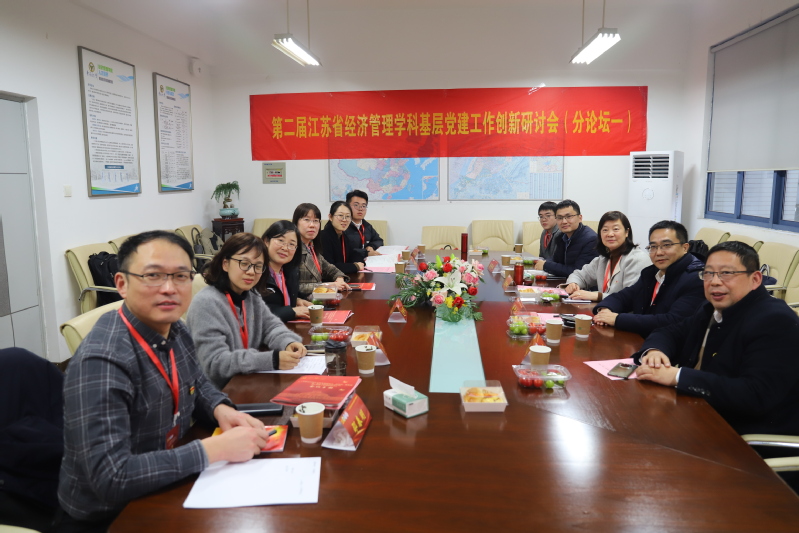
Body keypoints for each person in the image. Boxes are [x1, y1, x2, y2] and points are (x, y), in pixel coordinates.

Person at [56, 231, 268, 531]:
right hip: (111, 516)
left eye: (181, 276)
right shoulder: (102, 360)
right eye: (153, 276)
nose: (169, 288)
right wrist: (214, 450)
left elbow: (197, 382)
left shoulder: (175, 329)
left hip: (169, 483)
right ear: (121, 284)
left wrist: (221, 409)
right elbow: (110, 478)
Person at [633, 241, 799, 437]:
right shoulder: (711, 308)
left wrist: (678, 377)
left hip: (742, 435)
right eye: (708, 273)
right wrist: (655, 351)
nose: (714, 282)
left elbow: (755, 395)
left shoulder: (775, 320)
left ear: (755, 279)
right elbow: (671, 332)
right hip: (698, 413)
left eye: (726, 273)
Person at [186, 232, 306, 389]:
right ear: (225, 264)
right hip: (215, 393)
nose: (251, 272)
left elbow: (271, 326)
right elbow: (215, 362)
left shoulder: (251, 295)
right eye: (244, 263)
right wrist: (272, 360)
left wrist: (288, 342)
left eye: (258, 266)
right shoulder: (206, 303)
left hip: (245, 381)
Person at [593, 220, 705, 338]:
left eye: (666, 245)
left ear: (685, 247)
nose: (659, 252)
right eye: (653, 247)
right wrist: (605, 309)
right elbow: (624, 297)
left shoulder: (696, 278)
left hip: (666, 346)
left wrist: (617, 319)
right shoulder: (652, 272)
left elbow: (673, 321)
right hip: (641, 339)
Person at [563, 211, 651, 302]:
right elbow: (579, 275)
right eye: (605, 230)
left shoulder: (637, 259)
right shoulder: (603, 259)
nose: (610, 234)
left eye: (615, 229)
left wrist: (598, 296)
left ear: (626, 232)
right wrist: (573, 284)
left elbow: (631, 297)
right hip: (605, 309)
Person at [293, 202, 350, 298]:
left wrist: (339, 279)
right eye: (307, 220)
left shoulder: (311, 247)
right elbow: (292, 287)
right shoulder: (292, 249)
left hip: (320, 299)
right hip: (302, 302)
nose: (312, 225)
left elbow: (330, 269)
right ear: (296, 223)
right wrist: (326, 286)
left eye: (316, 221)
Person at [260, 220, 312, 322]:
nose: (285, 248)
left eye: (291, 244)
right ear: (266, 241)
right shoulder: (256, 272)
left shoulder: (290, 272)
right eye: (280, 240)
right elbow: (258, 314)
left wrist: (297, 300)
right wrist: (292, 311)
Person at [534, 199, 598, 277]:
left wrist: (545, 265)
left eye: (569, 216)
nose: (564, 221)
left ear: (580, 218)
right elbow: (555, 259)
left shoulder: (591, 239)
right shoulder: (562, 236)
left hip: (584, 284)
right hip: (566, 281)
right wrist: (543, 263)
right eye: (560, 218)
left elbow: (578, 271)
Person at [321, 201, 365, 274]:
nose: (344, 220)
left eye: (348, 216)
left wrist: (360, 262)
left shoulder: (343, 236)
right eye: (340, 215)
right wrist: (355, 266)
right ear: (330, 217)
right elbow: (329, 267)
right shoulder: (323, 237)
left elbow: (353, 255)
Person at [344, 189, 384, 261]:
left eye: (363, 206)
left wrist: (371, 246)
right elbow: (345, 250)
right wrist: (366, 253)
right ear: (347, 207)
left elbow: (379, 240)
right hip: (350, 263)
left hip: (367, 262)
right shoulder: (343, 226)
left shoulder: (366, 226)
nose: (360, 209)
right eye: (356, 205)